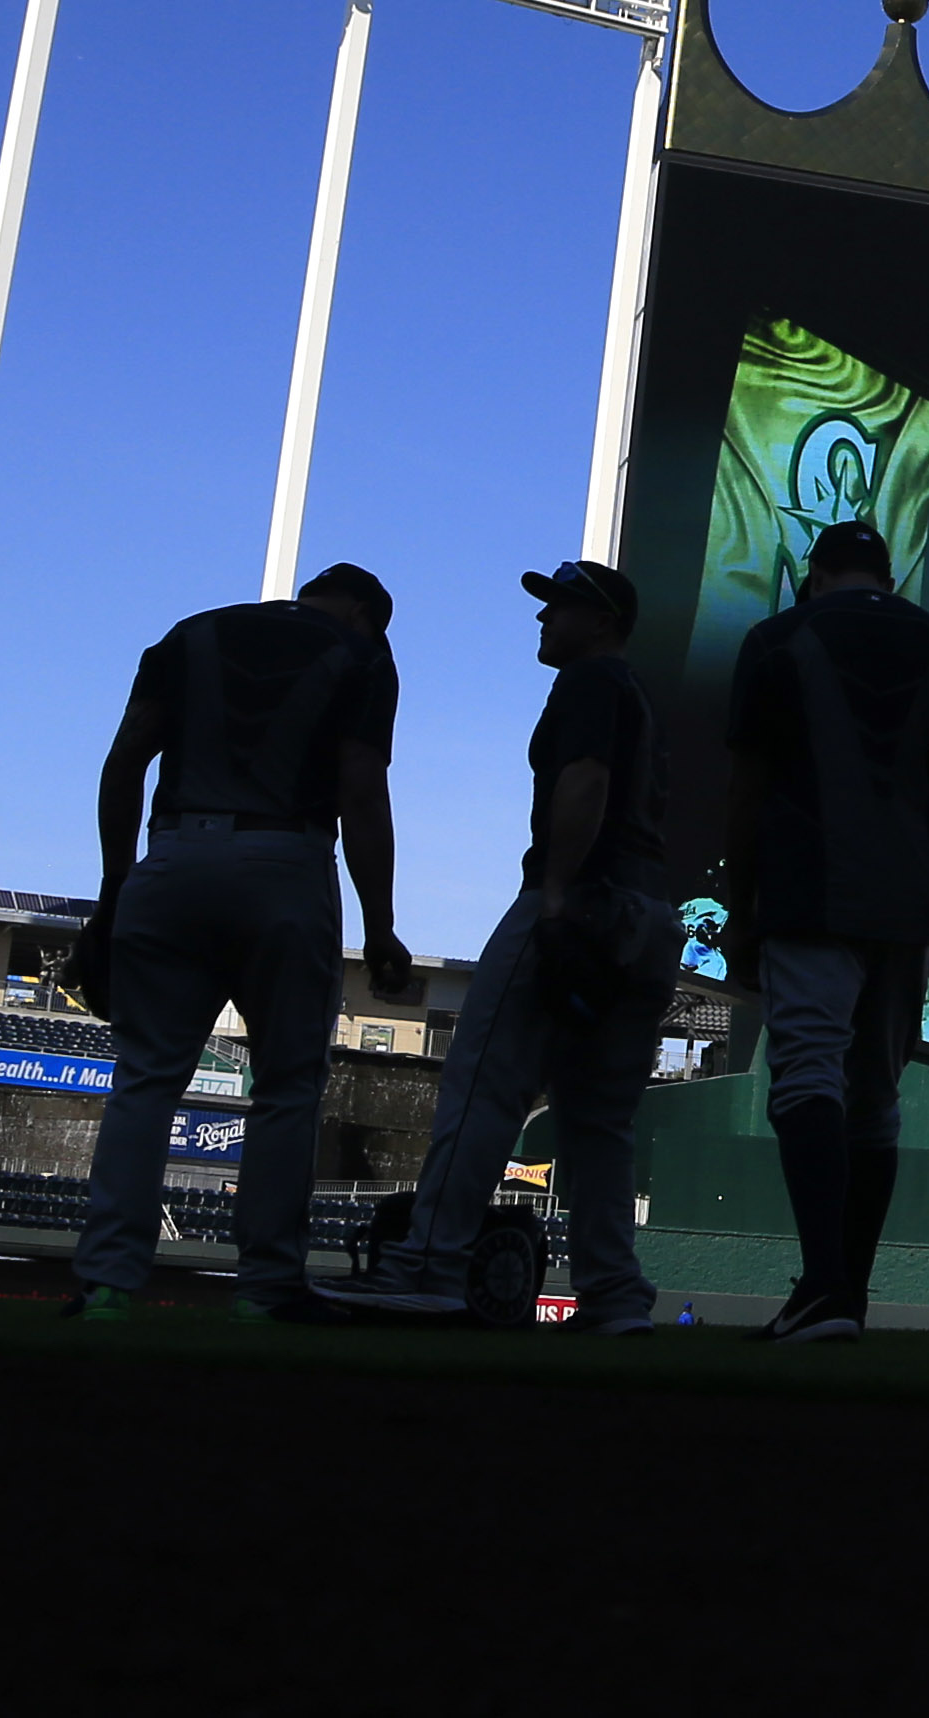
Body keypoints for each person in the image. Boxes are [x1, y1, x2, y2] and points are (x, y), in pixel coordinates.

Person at [65, 564, 413, 1324]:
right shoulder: (364, 655)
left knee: (145, 1081)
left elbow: (124, 763)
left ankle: (106, 1283)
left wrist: (115, 888)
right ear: (362, 612)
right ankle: (265, 1287)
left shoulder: (191, 632)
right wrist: (379, 920)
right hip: (284, 861)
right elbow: (361, 786)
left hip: (174, 855)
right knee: (285, 1089)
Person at [341, 557, 680, 1333]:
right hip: (648, 912)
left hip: (582, 899)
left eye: (559, 606)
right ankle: (615, 1296)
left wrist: (557, 898)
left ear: (602, 621)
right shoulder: (639, 694)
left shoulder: (591, 681)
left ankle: (429, 1263)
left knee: (484, 1088)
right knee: (597, 1121)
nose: (543, 617)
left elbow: (585, 779)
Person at [718, 519, 929, 1344]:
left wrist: (743, 907)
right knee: (874, 1103)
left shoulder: (776, 639)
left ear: (815, 575)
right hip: (905, 910)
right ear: (888, 575)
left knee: (806, 1074)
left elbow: (745, 791)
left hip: (811, 892)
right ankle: (849, 1296)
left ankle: (823, 1287)